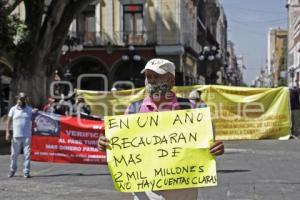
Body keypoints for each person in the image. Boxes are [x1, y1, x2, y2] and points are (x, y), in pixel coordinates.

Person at [98, 58, 224, 200]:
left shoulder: (189, 108)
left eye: (156, 76)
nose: (151, 80)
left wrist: (215, 148)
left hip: (182, 189)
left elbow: (207, 145)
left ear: (171, 80)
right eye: (148, 76)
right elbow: (122, 145)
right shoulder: (134, 109)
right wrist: (106, 144)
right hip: (146, 189)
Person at [5, 92, 36, 178]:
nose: (21, 101)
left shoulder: (29, 109)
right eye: (20, 99)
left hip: (27, 136)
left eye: (23, 99)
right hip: (16, 136)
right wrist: (7, 132)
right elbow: (8, 121)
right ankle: (12, 170)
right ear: (17, 99)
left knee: (27, 155)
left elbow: (35, 119)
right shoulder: (13, 109)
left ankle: (26, 171)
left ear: (25, 100)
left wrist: (36, 113)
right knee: (14, 155)